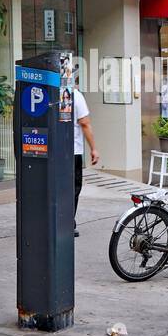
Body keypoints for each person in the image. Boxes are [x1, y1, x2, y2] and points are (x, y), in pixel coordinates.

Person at [71, 82, 100, 238]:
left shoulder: (49, 93)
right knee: (73, 188)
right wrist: (94, 148)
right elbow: (85, 123)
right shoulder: (76, 96)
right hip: (72, 152)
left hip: (53, 151)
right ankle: (68, 222)